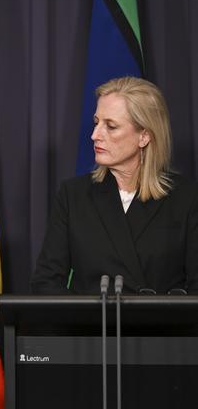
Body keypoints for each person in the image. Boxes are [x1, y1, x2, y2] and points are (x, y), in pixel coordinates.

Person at [31, 76, 198, 295]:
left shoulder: (186, 198)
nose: (95, 135)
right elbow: (46, 284)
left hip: (161, 329)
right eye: (96, 122)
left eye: (111, 126)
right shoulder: (73, 196)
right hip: (91, 328)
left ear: (144, 137)